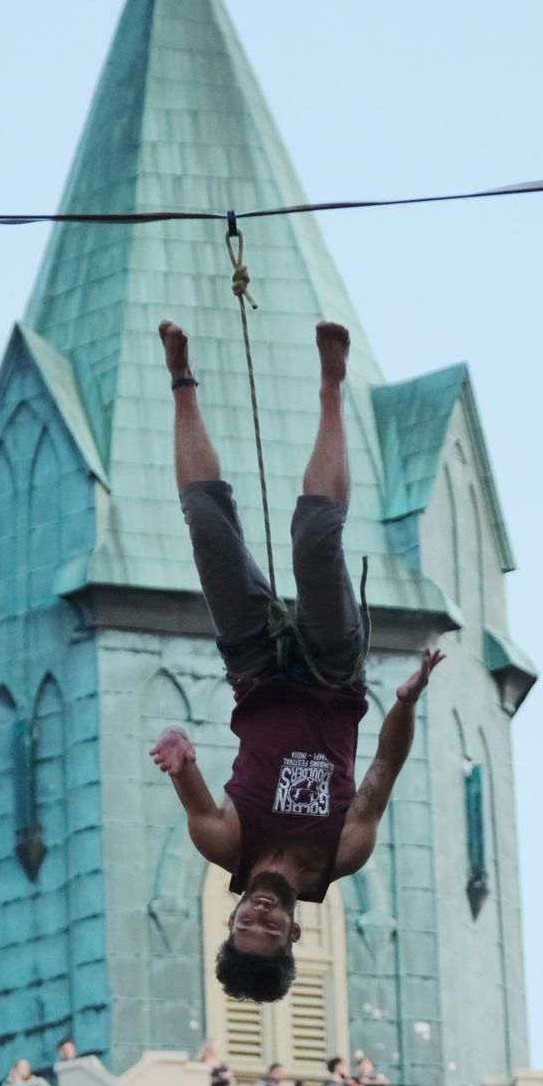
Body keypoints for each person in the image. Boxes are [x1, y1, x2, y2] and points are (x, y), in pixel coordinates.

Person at [149, 320, 443, 1006]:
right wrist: (405, 702)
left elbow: (187, 775)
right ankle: (332, 389)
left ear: (231, 919)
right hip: (332, 674)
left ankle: (180, 378)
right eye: (270, 928)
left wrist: (178, 753)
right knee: (315, 539)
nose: (259, 915)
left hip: (256, 668)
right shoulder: (343, 853)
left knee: (205, 528)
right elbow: (383, 770)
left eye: (246, 924)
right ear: (293, 934)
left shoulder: (225, 842)